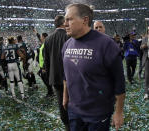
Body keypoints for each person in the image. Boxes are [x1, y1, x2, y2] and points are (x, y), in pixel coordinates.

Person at [62, 3, 125, 131]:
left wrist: (118, 112)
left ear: (85, 20)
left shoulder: (106, 44)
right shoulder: (67, 45)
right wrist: (65, 95)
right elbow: (66, 74)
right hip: (74, 111)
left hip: (98, 113)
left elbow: (119, 82)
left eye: (69, 19)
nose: (65, 23)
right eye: (65, 20)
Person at [44, 15, 70, 130]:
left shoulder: (48, 39)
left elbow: (46, 61)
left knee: (62, 104)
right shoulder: (69, 36)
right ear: (63, 23)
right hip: (69, 77)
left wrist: (50, 77)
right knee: (73, 102)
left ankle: (67, 125)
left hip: (55, 77)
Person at [141, 26, 149, 99]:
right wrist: (144, 45)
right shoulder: (145, 39)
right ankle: (146, 93)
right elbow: (141, 47)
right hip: (147, 60)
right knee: (147, 76)